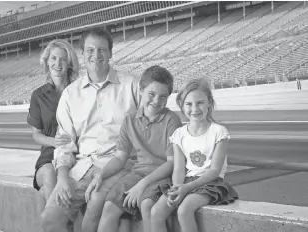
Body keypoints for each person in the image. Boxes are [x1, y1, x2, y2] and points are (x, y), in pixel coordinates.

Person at [40, 28, 141, 232]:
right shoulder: (70, 94)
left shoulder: (132, 85)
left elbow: (152, 125)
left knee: (94, 210)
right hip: (81, 167)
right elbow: (64, 143)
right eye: (90, 50)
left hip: (120, 164)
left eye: (102, 49)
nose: (96, 55)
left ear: (111, 53)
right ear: (83, 54)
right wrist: (62, 179)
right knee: (50, 219)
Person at [86, 65, 182, 232]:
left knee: (147, 205)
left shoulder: (171, 120)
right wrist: (100, 176)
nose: (156, 101)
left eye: (163, 97)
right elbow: (120, 158)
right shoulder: (130, 120)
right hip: (138, 173)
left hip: (164, 176)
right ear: (141, 91)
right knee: (108, 207)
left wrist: (141, 186)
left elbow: (172, 163)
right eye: (151, 94)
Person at [151, 78, 238, 232]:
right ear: (182, 106)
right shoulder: (179, 134)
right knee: (156, 211)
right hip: (185, 181)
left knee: (184, 210)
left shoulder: (218, 132)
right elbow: (178, 169)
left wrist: (186, 188)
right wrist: (177, 187)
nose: (194, 108)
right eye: (189, 104)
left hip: (210, 183)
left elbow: (214, 171)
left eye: (200, 103)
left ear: (209, 103)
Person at [27, 39, 80, 214]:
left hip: (77, 155)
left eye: (63, 59)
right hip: (48, 158)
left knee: (47, 192)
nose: (58, 63)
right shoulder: (38, 95)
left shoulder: (78, 91)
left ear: (69, 63)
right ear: (47, 61)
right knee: (50, 174)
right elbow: (36, 135)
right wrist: (54, 142)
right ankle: (56, 221)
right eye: (54, 58)